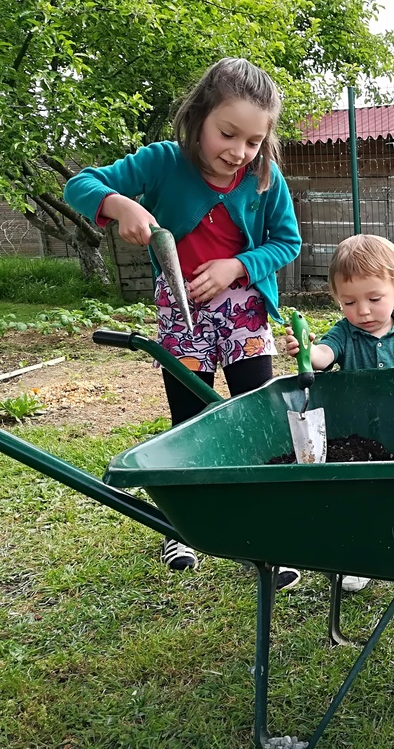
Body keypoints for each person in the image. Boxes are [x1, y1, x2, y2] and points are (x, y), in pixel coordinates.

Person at [64, 57, 302, 585]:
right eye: (227, 132)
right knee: (190, 418)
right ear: (197, 118)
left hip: (245, 310)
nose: (239, 151)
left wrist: (237, 265)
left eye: (253, 141)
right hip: (181, 310)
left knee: (253, 420)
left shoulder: (264, 179)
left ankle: (267, 530)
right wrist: (119, 203)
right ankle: (183, 526)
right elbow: (80, 184)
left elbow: (288, 242)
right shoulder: (162, 162)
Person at [285, 233, 394, 591]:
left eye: (373, 299)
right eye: (348, 302)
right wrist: (306, 350)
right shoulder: (344, 334)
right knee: (359, 499)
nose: (361, 311)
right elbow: (323, 358)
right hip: (359, 438)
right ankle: (359, 558)